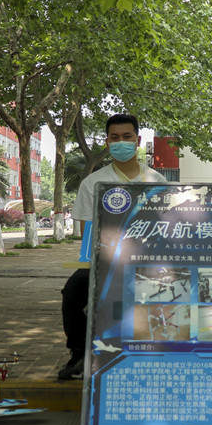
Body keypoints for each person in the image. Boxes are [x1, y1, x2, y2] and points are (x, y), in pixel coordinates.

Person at [58, 114, 167, 380]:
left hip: (150, 262)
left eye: (127, 137)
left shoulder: (157, 182)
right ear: (107, 143)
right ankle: (80, 352)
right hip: (105, 262)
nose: (121, 143)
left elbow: (166, 230)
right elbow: (87, 233)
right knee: (74, 289)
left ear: (137, 141)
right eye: (114, 138)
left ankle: (162, 349)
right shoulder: (93, 183)